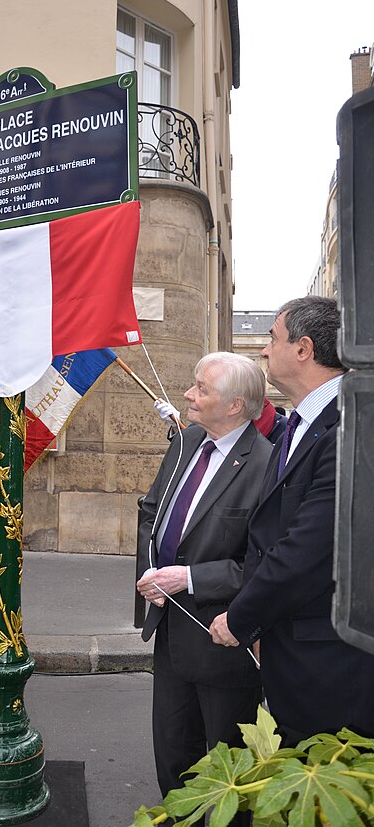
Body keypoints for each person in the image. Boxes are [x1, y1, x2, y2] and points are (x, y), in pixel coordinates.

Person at [209, 296, 374, 746]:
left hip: (327, 668)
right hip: (289, 651)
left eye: (272, 338)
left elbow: (309, 548)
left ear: (303, 349)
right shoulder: (300, 421)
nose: (263, 350)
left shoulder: (351, 425)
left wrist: (242, 619)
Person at [136, 352, 272, 804]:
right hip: (169, 628)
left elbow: (263, 563)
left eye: (202, 389)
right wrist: (151, 576)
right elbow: (151, 512)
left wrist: (188, 578)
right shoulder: (188, 440)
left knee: (224, 768)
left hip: (222, 640)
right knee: (172, 755)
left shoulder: (267, 466)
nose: (189, 396)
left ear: (235, 405)